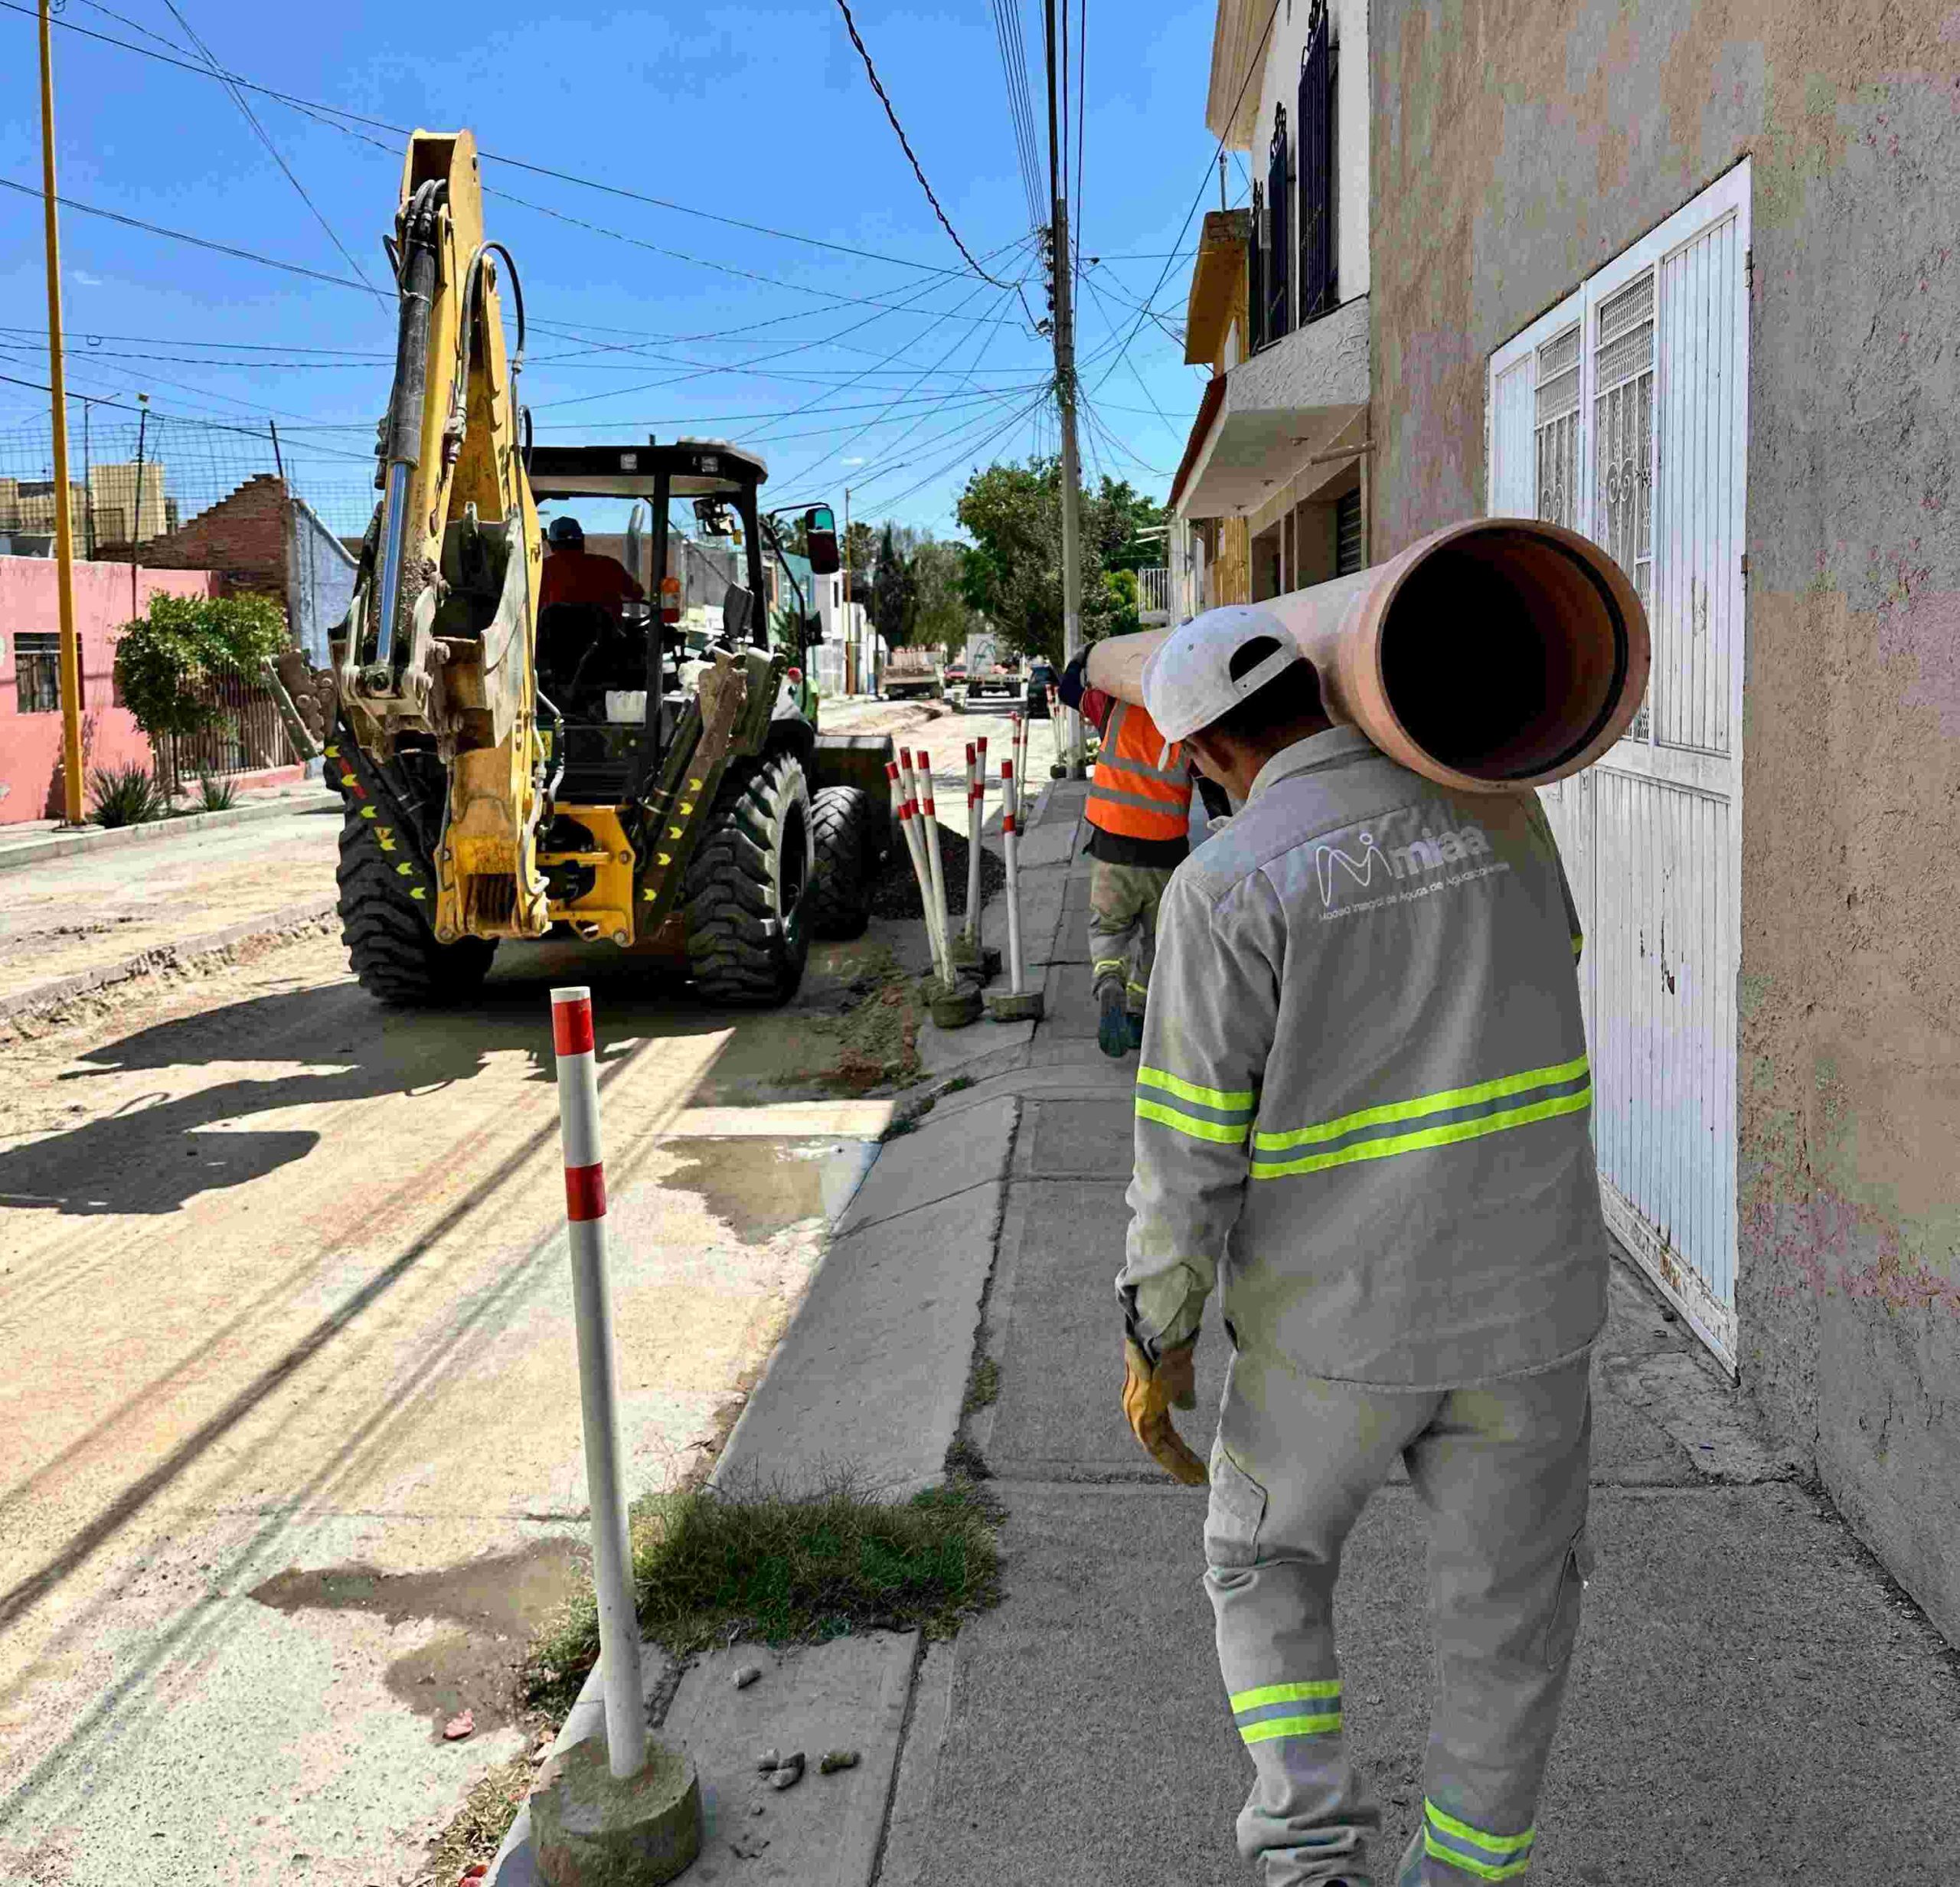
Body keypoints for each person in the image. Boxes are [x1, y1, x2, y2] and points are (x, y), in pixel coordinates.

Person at [1116, 603, 1605, 1887]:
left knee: (1263, 1560)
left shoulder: (1228, 885)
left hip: (1339, 1328)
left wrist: (1158, 1332)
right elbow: (1555, 957)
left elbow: (1186, 1149)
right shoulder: (1507, 813)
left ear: (1210, 754)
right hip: (1531, 1308)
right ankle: (1467, 1871)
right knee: (1510, 1611)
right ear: (1318, 694)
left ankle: (1307, 1849)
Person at [1057, 649, 1195, 1059]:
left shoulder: (1114, 709)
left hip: (1112, 847)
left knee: (1109, 930)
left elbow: (1068, 689)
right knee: (1157, 940)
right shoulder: (1189, 720)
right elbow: (1213, 783)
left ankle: (1109, 984)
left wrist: (1086, 657)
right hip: (1165, 854)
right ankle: (1138, 1013)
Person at [538, 515, 645, 614]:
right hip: (606, 633)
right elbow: (637, 594)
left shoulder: (540, 570)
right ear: (582, 540)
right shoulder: (608, 565)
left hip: (555, 634)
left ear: (551, 544)